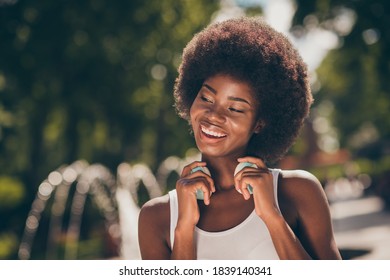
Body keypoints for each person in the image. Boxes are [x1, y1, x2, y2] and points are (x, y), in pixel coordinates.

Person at [138, 17, 342, 260]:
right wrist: (183, 229)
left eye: (234, 108)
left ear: (260, 123)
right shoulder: (157, 217)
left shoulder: (298, 191)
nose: (213, 115)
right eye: (206, 98)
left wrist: (272, 217)